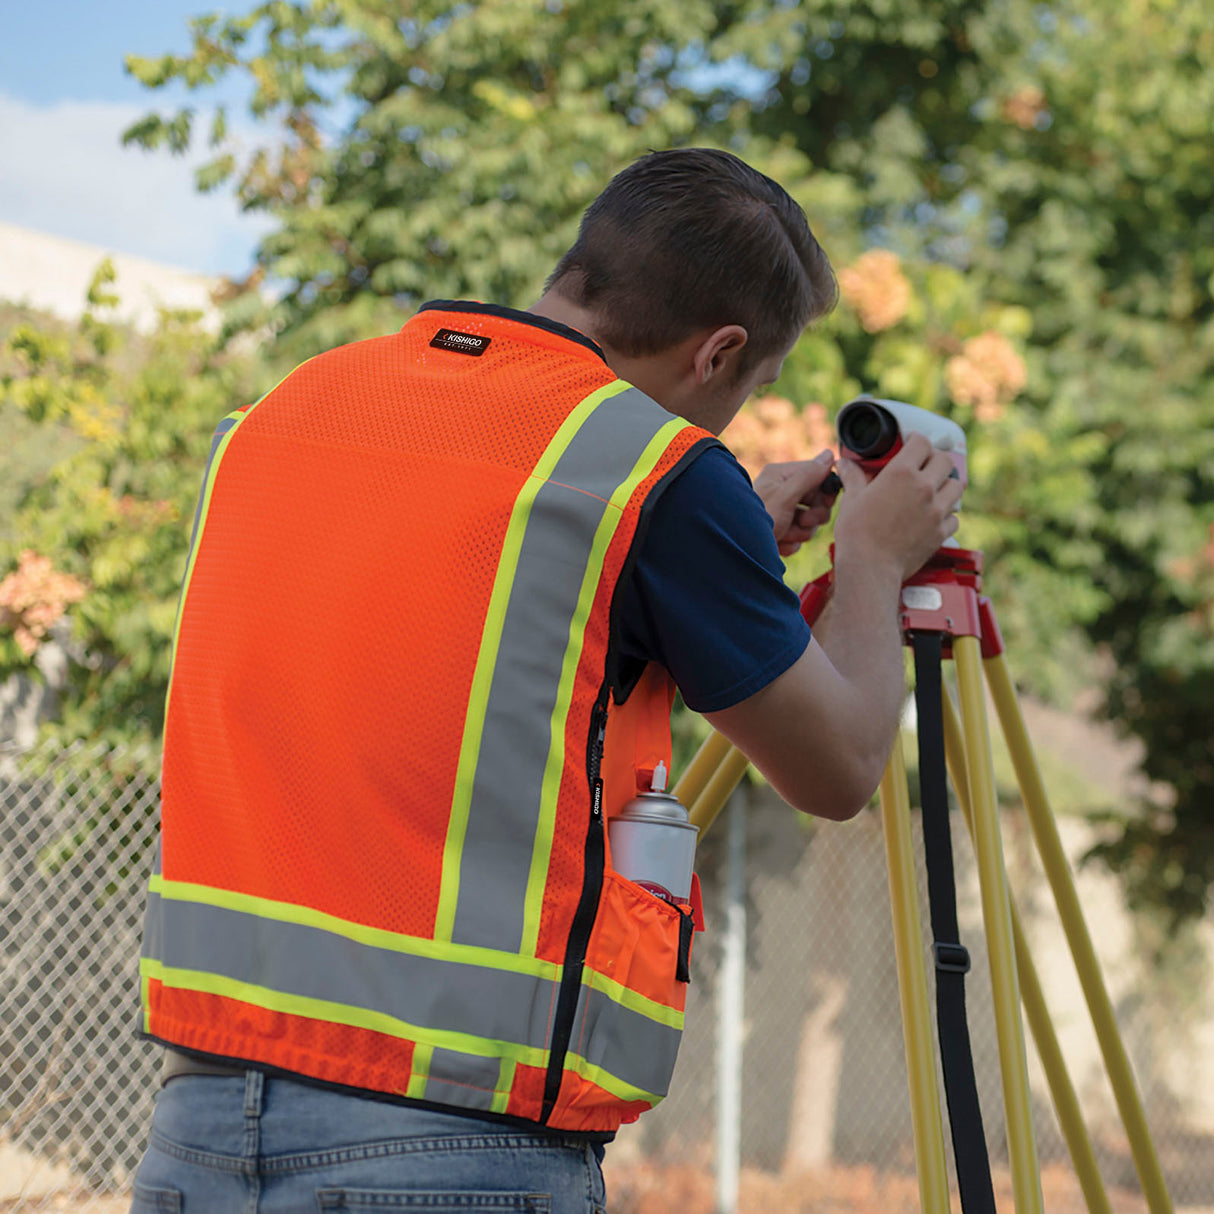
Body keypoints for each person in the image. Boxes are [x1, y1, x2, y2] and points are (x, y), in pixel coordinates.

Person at [130, 148, 962, 1213]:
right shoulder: (658, 473)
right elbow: (840, 763)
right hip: (448, 1147)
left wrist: (726, 536)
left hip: (196, 1124)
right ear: (719, 352)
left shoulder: (292, 407)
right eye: (749, 389)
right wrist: (872, 561)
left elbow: (452, 610)